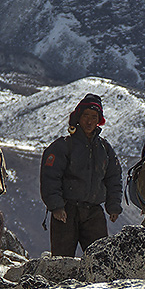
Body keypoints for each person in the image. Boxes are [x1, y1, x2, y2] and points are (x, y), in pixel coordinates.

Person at [39, 93, 122, 256]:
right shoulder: (63, 146)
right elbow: (50, 178)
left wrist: (113, 206)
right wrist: (56, 207)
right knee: (62, 263)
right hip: (66, 212)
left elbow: (114, 178)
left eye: (94, 116)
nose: (89, 121)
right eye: (86, 116)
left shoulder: (105, 149)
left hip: (94, 213)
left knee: (100, 261)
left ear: (99, 120)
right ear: (78, 117)